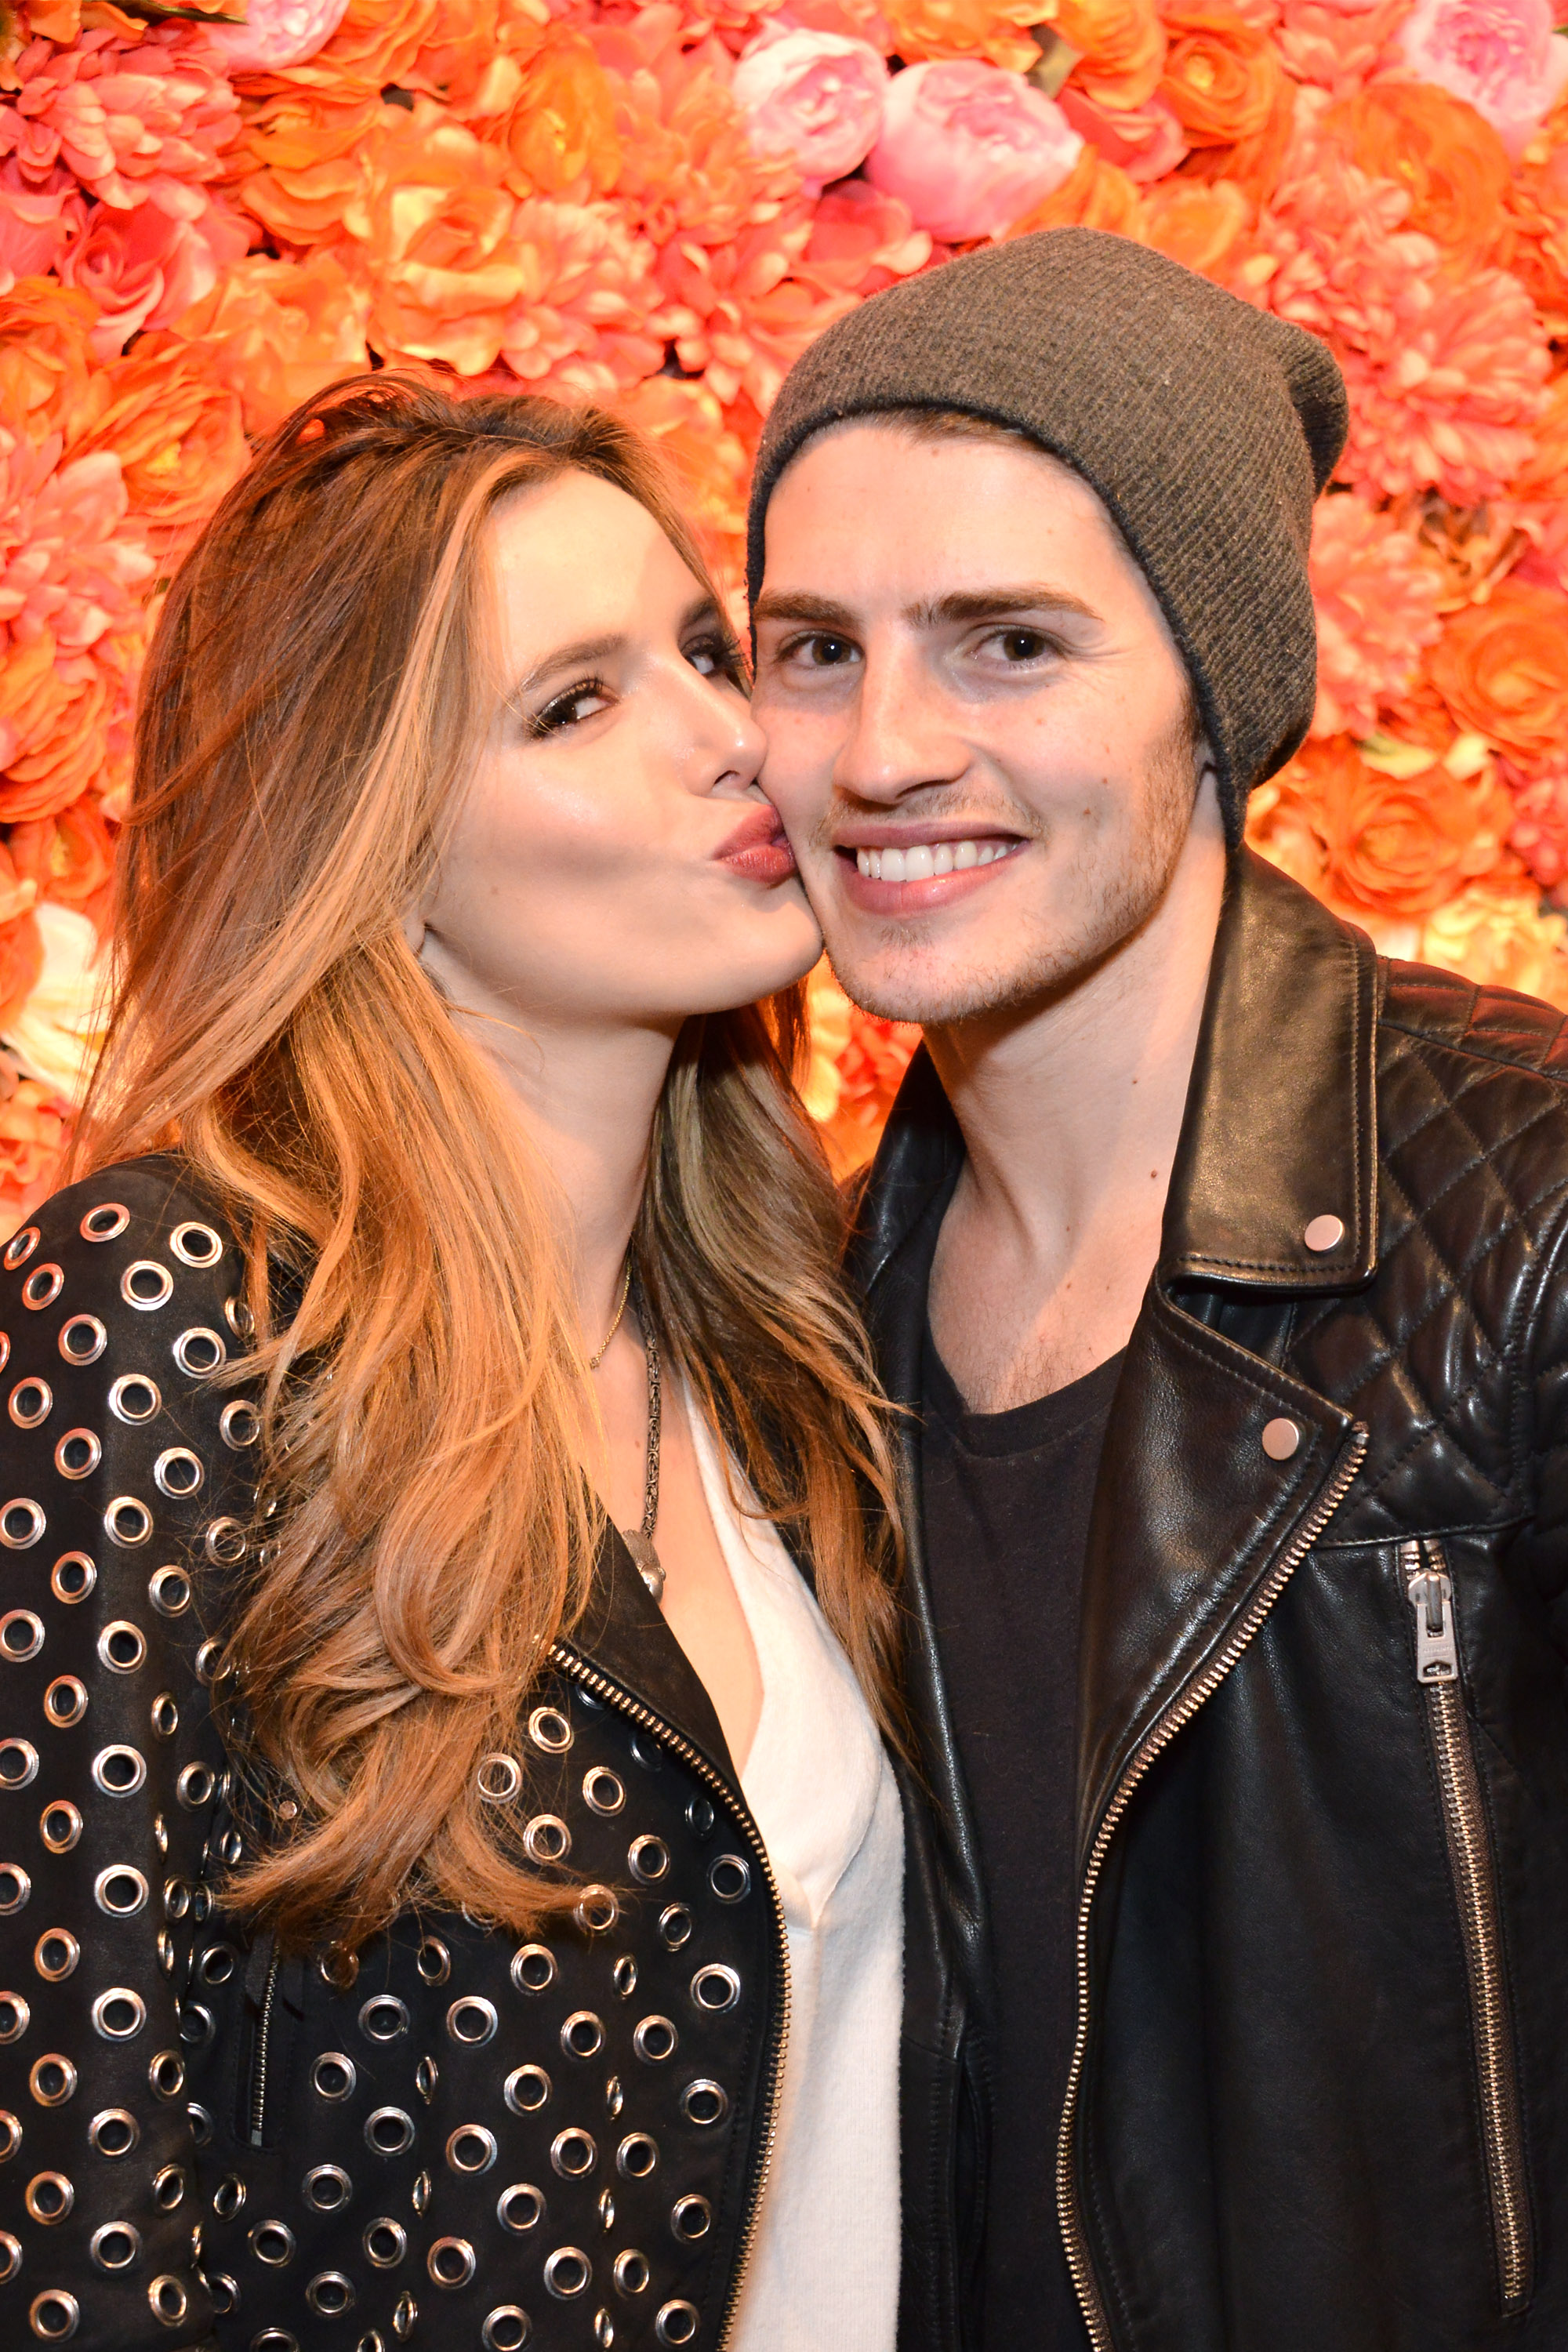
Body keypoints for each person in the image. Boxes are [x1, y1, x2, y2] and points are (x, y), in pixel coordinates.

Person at [0, 376, 912, 2351]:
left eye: (699, 650)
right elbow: (59, 2178)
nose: (728, 739)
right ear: (373, 845)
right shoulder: (174, 1304)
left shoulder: (790, 1342)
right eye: (571, 705)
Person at [746, 226, 1568, 2352]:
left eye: (1007, 644)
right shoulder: (810, 1302)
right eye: (814, 649)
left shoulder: (1530, 1213)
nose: (883, 752)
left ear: (1215, 692)